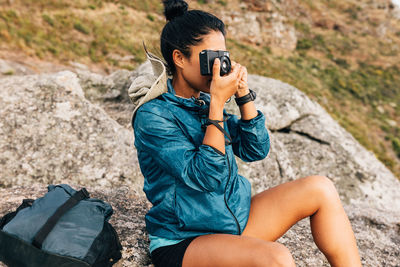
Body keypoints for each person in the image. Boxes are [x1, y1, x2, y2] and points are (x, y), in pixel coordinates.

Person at [129, 0, 362, 266]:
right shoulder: (154, 116)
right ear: (179, 58)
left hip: (233, 221)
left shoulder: (202, 102)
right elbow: (206, 178)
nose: (220, 67)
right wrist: (216, 104)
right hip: (185, 239)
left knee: (320, 188)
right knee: (277, 258)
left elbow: (255, 150)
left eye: (223, 56)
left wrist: (243, 96)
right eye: (210, 58)